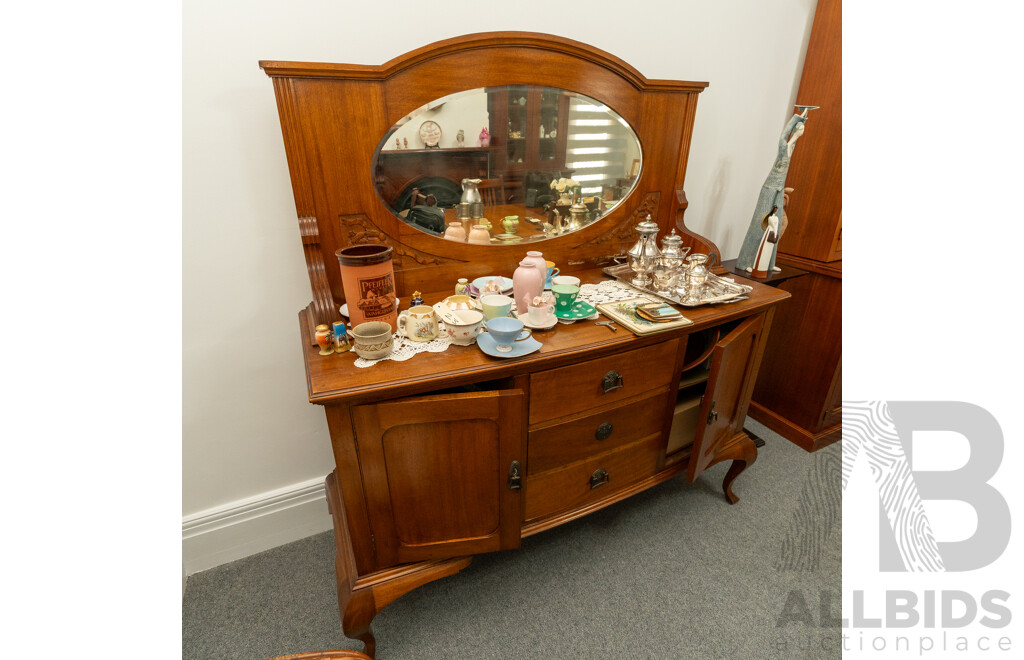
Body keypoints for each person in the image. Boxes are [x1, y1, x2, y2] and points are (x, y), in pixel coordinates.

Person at [735, 112, 808, 273]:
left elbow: (794, 137)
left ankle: (768, 263)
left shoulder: (793, 145)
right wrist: (797, 119)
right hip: (769, 189)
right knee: (759, 225)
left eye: (802, 129)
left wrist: (803, 119)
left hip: (779, 189)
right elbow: (784, 134)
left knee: (776, 226)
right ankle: (745, 261)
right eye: (800, 130)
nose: (802, 132)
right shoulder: (784, 145)